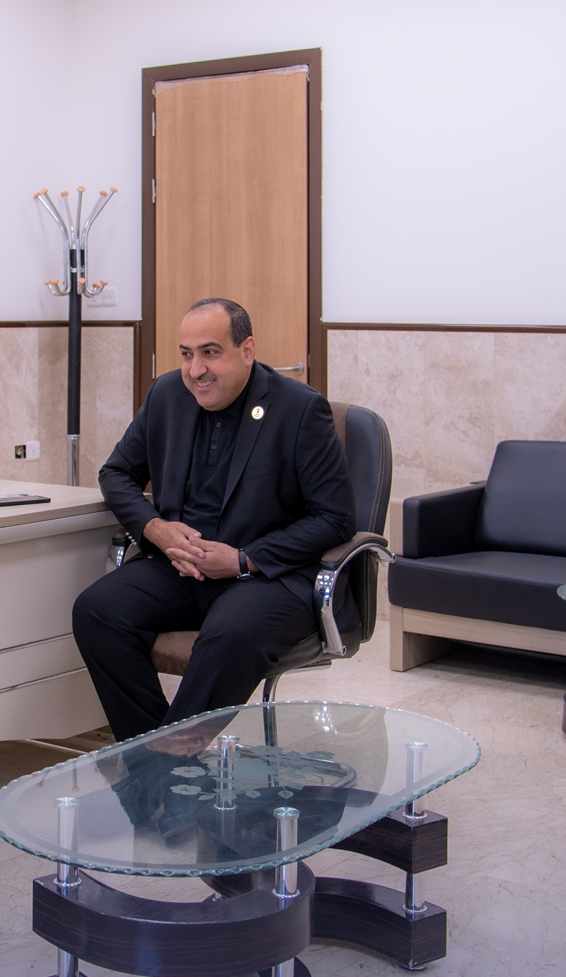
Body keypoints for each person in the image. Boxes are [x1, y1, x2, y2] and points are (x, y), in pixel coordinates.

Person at [72, 298, 355, 743]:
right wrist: (155, 529)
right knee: (97, 611)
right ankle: (156, 758)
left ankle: (166, 761)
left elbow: (335, 518)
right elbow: (116, 473)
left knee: (231, 633)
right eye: (186, 354)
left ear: (247, 350)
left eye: (210, 352)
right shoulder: (167, 395)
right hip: (180, 567)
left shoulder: (299, 409)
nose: (196, 369)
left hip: (265, 577)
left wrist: (244, 559)